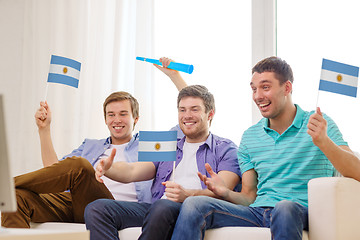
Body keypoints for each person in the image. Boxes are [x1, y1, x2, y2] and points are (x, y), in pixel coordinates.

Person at [170, 56, 360, 240]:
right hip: (258, 212)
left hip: (299, 211)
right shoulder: (250, 136)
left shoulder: (319, 124)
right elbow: (249, 197)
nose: (258, 96)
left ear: (287, 87)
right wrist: (225, 192)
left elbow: (357, 172)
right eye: (254, 89)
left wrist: (324, 142)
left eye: (265, 87)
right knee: (194, 204)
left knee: (284, 207)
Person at [1, 58, 187, 228]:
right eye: (111, 115)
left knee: (80, 166)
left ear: (136, 118)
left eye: (123, 114)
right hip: (76, 203)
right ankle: (7, 191)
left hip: (117, 209)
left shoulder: (149, 145)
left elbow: (187, 122)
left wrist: (175, 77)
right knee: (16, 199)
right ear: (105, 119)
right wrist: (44, 130)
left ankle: (5, 186)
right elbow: (52, 171)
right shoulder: (91, 146)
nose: (116, 120)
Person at [84, 83, 242, 240]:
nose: (187, 115)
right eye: (182, 110)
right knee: (96, 208)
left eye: (195, 109)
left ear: (210, 114)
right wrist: (108, 169)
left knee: (162, 206)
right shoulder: (169, 142)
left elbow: (224, 192)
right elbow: (132, 171)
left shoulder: (225, 148)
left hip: (191, 211)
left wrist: (188, 195)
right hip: (157, 209)